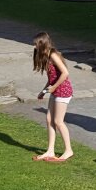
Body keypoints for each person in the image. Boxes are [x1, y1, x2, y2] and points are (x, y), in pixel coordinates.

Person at [31, 31, 74, 163]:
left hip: (63, 91)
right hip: (55, 91)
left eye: (36, 44)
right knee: (49, 119)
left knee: (58, 121)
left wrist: (54, 87)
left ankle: (68, 150)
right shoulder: (45, 56)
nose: (34, 47)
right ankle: (50, 150)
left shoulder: (53, 54)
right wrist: (43, 91)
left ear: (43, 43)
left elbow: (65, 73)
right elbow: (52, 78)